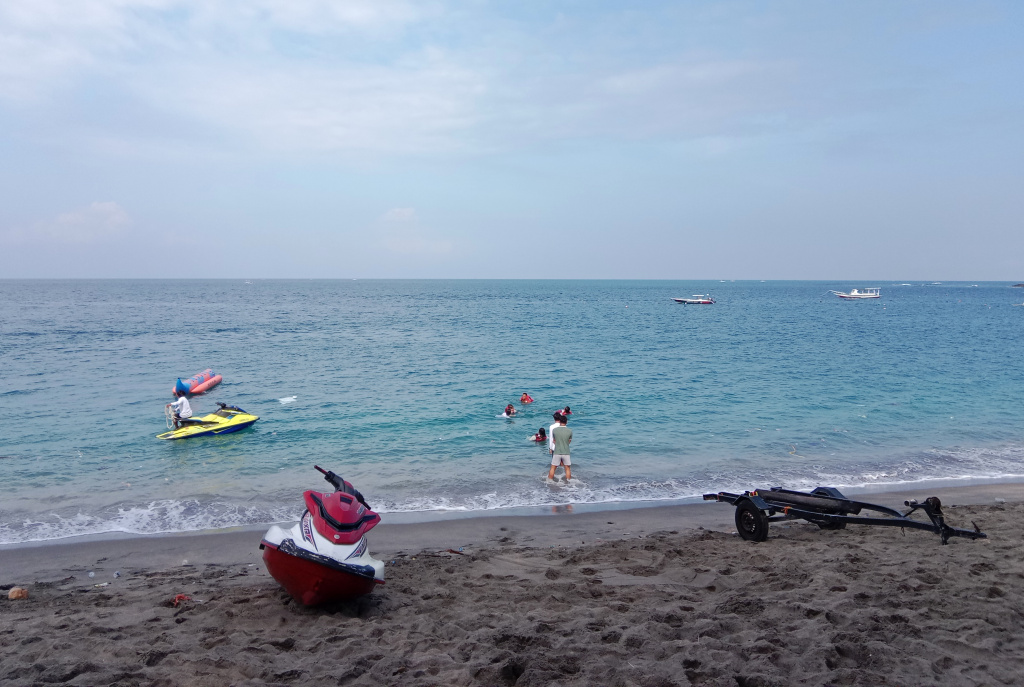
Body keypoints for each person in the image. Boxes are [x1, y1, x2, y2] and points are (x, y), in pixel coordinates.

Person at [548, 413, 572, 482]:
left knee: (553, 467)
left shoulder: (555, 430)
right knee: (567, 468)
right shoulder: (570, 431)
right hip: (566, 451)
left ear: (560, 421)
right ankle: (569, 483)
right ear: (566, 422)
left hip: (557, 451)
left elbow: (553, 440)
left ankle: (549, 482)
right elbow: (569, 441)